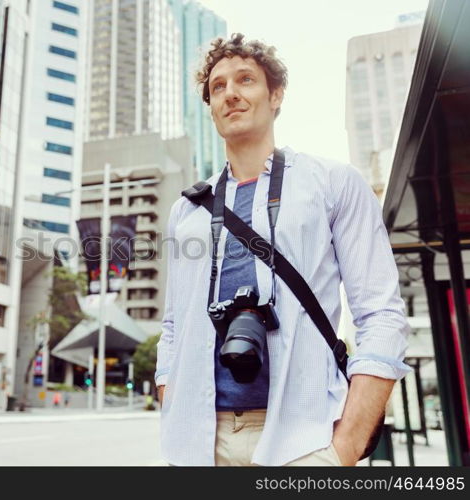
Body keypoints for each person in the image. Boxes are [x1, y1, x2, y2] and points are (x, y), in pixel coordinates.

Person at [154, 33, 411, 467]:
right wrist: (170, 402)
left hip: (305, 440)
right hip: (198, 445)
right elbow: (174, 326)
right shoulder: (188, 210)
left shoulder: (333, 183)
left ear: (276, 95)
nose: (230, 93)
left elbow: (381, 314)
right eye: (218, 87)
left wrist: (344, 447)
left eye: (245, 80)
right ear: (211, 107)